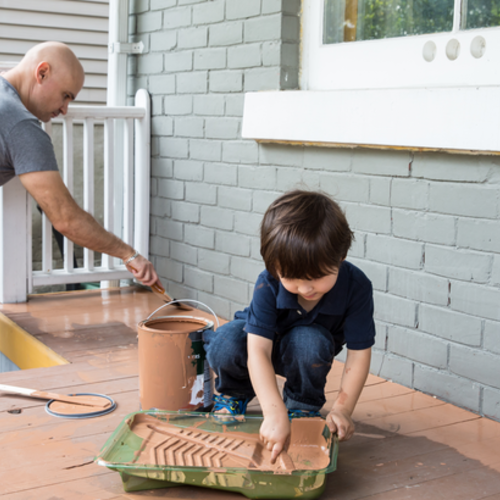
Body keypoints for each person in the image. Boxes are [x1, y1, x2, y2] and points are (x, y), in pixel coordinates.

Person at [204, 190, 375, 463]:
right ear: (274, 267)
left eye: (317, 277)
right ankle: (234, 393)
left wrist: (343, 409)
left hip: (306, 354)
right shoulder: (268, 282)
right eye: (292, 278)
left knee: (309, 340)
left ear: (340, 257)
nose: (306, 288)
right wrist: (272, 412)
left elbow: (359, 352)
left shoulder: (356, 287)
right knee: (224, 341)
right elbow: (258, 351)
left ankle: (302, 406)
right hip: (260, 345)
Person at [0, 41, 158, 286]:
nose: (65, 109)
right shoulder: (21, 126)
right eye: (65, 96)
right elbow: (66, 219)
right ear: (42, 73)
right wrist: (129, 254)